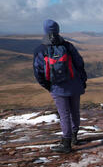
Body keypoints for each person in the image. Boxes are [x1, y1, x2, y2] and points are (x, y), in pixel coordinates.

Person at [33, 19, 87, 153]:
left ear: (45, 31)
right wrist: (82, 81)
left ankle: (66, 144)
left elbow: (38, 72)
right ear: (58, 30)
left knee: (64, 114)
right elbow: (79, 64)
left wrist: (48, 86)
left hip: (57, 87)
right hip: (74, 85)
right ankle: (74, 137)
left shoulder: (41, 49)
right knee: (75, 111)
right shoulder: (68, 46)